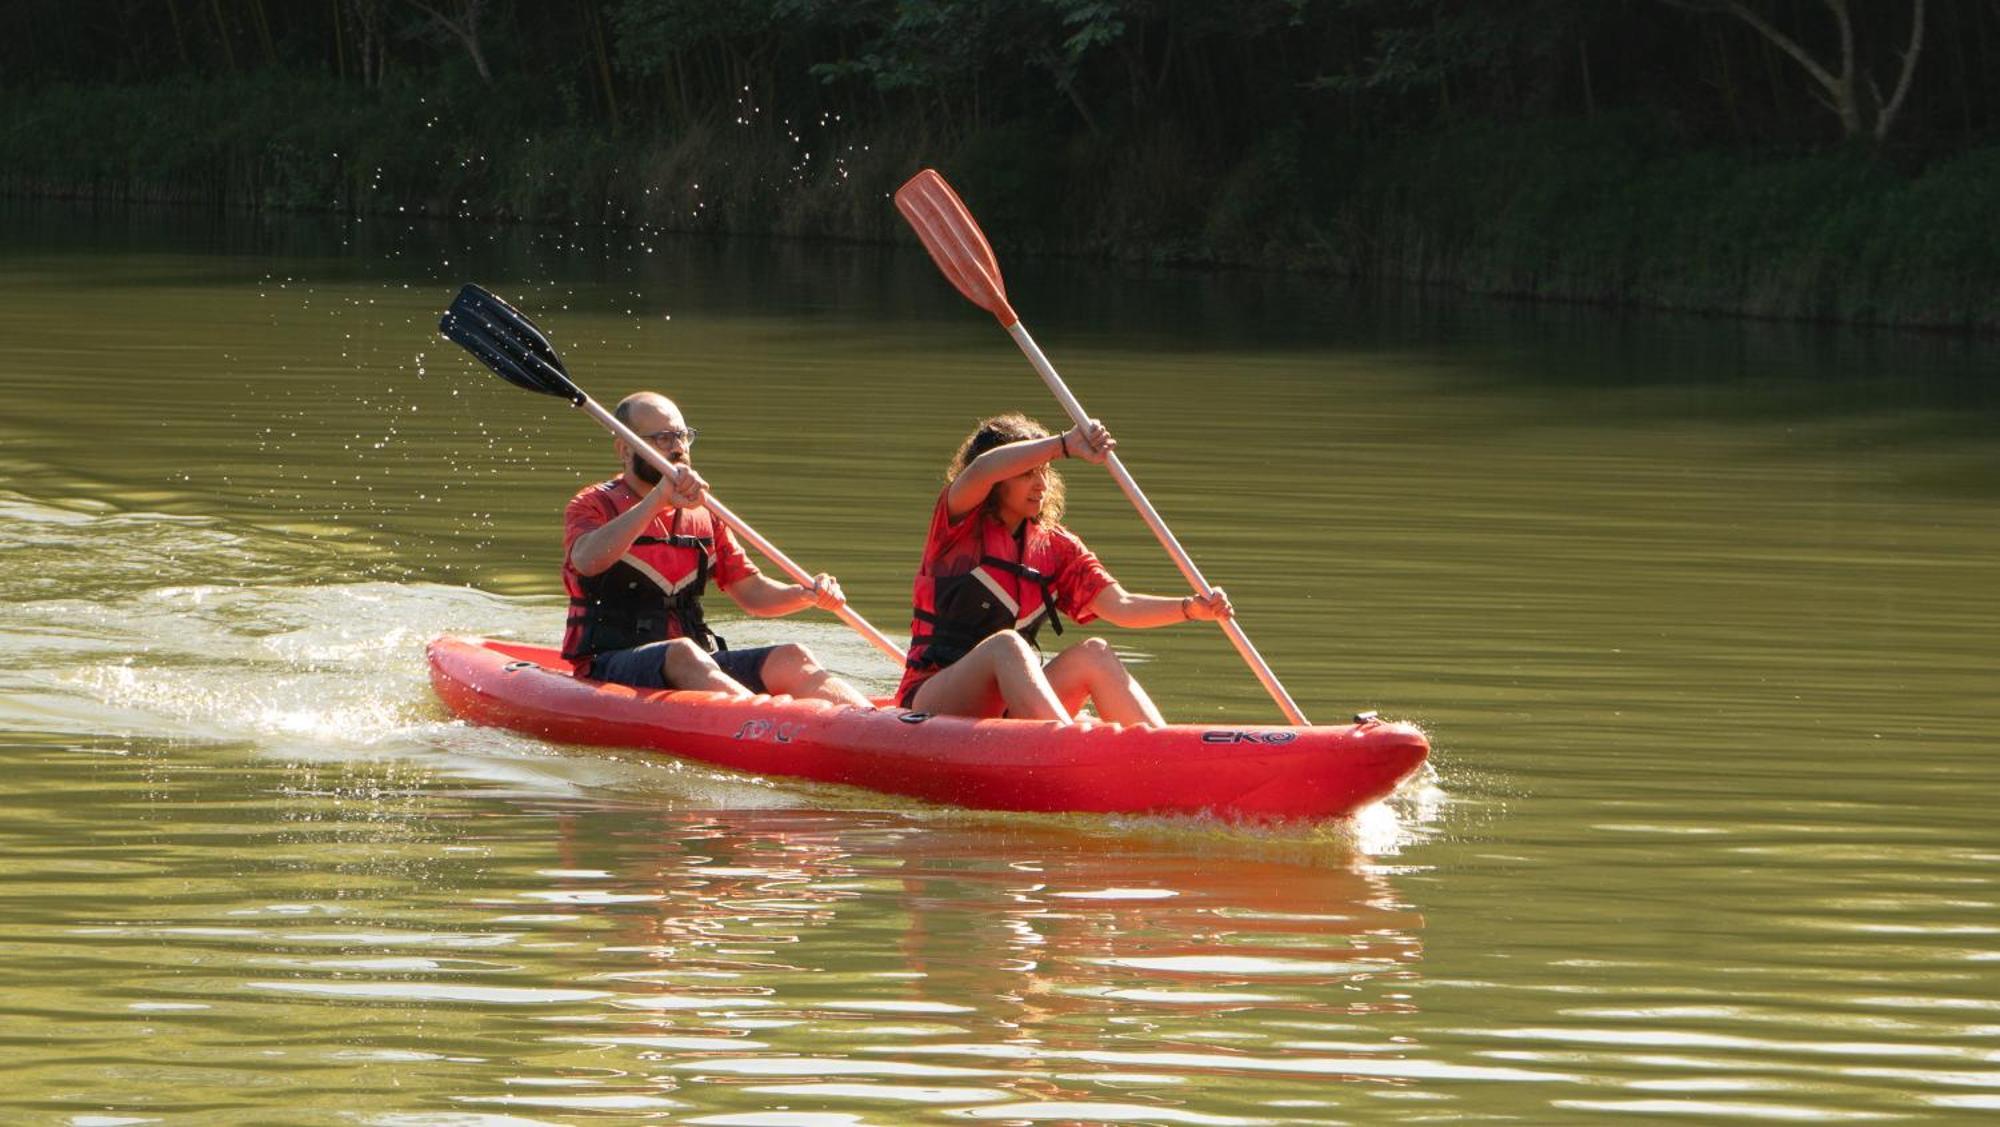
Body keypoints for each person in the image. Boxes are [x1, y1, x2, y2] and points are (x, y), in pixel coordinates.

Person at [897, 412, 1232, 726]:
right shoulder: (957, 527)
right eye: (1028, 473)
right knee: (1007, 646)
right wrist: (1063, 446)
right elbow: (982, 470)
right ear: (1000, 482)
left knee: (1094, 653)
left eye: (1044, 471)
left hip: (1012, 709)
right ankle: (1067, 747)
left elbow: (1123, 606)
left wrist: (1191, 608)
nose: (1041, 484)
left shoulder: (1056, 548)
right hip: (933, 702)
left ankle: (1166, 753)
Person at [562, 391, 873, 708]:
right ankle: (770, 723)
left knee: (793, 656)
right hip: (610, 663)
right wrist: (657, 500)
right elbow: (586, 560)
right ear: (626, 450)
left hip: (695, 661)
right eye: (663, 439)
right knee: (681, 651)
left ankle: (871, 723)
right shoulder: (593, 504)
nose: (678, 448)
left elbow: (751, 592)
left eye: (682, 436)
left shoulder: (705, 514)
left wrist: (806, 594)